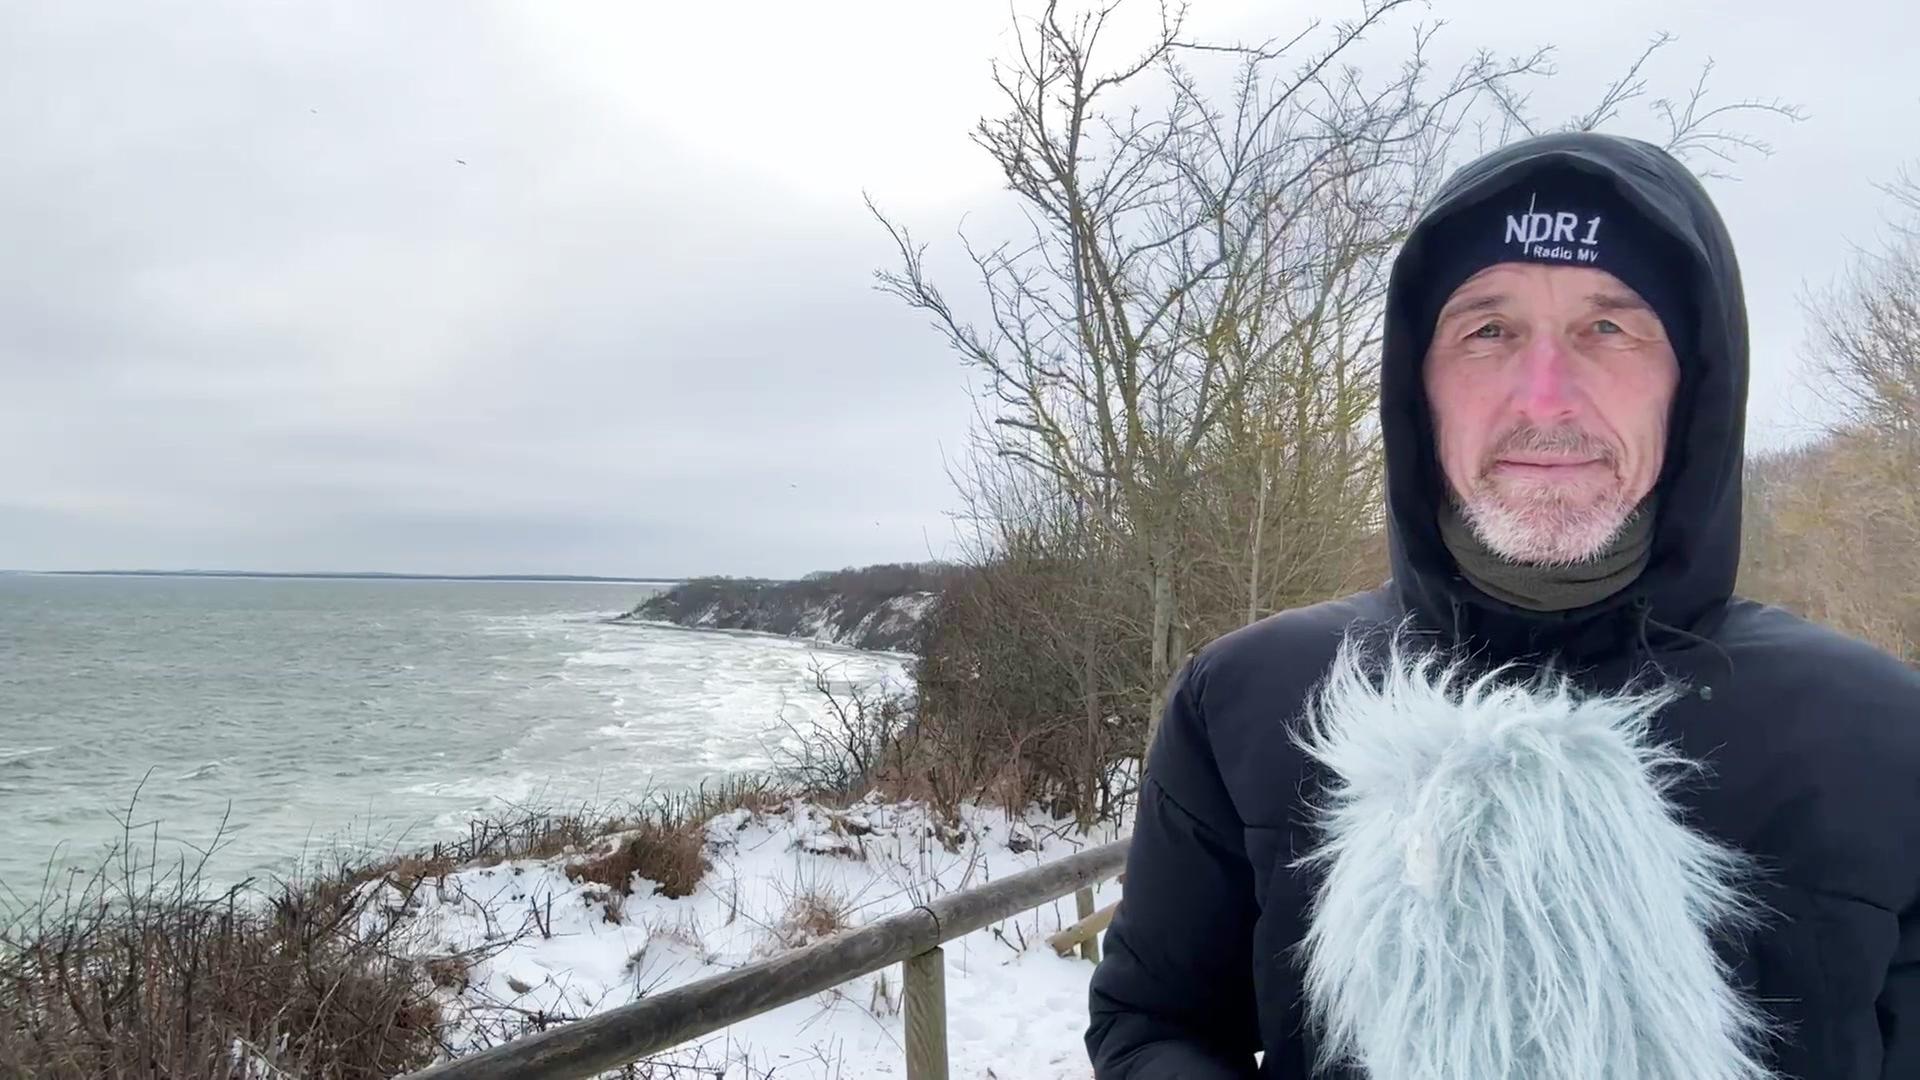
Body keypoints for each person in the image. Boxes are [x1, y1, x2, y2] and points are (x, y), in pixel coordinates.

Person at [1084, 131, 1920, 1079]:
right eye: (1488, 330)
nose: (1547, 396)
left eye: (1610, 327)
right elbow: (1152, 1025)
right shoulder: (1246, 700)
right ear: (1419, 386)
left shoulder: (1886, 736)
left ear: (1694, 383)